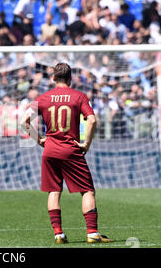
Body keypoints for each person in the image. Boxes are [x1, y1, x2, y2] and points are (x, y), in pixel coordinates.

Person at [21, 62, 113, 244]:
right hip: (70, 149)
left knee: (54, 191)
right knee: (87, 190)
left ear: (53, 78)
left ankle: (58, 234)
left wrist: (39, 139)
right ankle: (92, 233)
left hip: (50, 150)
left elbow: (24, 120)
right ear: (70, 79)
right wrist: (86, 143)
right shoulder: (78, 96)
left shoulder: (43, 98)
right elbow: (92, 120)